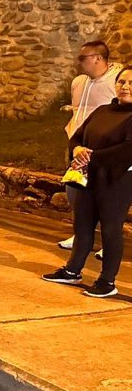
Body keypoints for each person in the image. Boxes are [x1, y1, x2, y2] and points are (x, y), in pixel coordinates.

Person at [42, 64, 132, 297]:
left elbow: (127, 150)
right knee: (82, 226)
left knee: (111, 230)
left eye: (131, 83)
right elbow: (78, 135)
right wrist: (78, 149)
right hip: (88, 178)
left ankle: (107, 281)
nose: (125, 87)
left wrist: (89, 158)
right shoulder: (103, 111)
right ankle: (73, 271)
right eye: (122, 82)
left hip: (116, 181)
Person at [58, 40, 119, 251]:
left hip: (102, 148)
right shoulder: (78, 82)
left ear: (98, 58)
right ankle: (80, 233)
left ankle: (107, 241)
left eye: (83, 58)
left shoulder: (115, 81)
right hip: (78, 144)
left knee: (105, 194)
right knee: (74, 189)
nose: (79, 62)